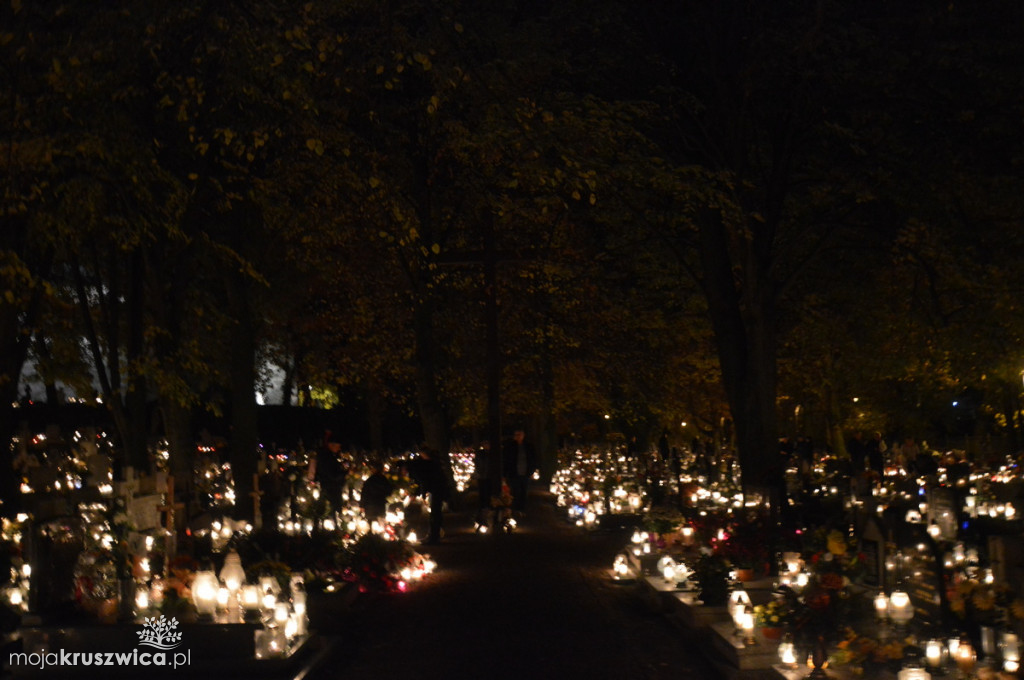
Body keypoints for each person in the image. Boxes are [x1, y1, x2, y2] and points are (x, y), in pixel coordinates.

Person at [408, 447, 450, 544]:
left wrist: (422, 493)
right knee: (435, 513)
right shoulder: (435, 463)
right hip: (437, 490)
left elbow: (424, 481)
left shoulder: (428, 465)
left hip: (436, 491)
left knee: (435, 513)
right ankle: (434, 535)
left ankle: (434, 537)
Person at [502, 428, 537, 516]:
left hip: (526, 473)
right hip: (514, 473)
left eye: (519, 435)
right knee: (515, 491)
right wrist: (505, 473)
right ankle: (515, 509)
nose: (518, 437)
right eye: (516, 435)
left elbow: (533, 459)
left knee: (524, 492)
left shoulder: (528, 446)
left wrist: (532, 471)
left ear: (523, 436)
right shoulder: (510, 447)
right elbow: (506, 460)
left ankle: (521, 509)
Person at [360, 459, 393, 523]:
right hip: (380, 506)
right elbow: (389, 491)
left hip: (370, 507)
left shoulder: (370, 480)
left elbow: (364, 493)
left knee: (370, 524)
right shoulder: (384, 480)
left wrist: (362, 506)